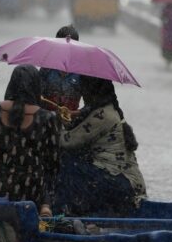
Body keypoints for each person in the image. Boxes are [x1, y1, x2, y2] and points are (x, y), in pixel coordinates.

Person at [0, 65, 60, 242]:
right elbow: (53, 163)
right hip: (30, 190)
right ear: (36, 87)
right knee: (48, 177)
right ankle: (45, 208)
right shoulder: (48, 118)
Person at [53, 76, 147, 216]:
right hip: (127, 183)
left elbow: (67, 141)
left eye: (83, 88)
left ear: (91, 90)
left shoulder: (102, 115)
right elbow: (80, 130)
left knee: (66, 161)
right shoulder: (108, 110)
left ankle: (63, 213)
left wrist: (47, 123)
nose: (82, 93)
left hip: (122, 185)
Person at [39, 25, 82, 115]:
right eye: (62, 45)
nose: (66, 49)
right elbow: (37, 95)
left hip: (71, 120)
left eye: (71, 46)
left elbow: (91, 105)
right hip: (47, 119)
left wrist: (73, 113)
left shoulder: (82, 72)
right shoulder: (46, 69)